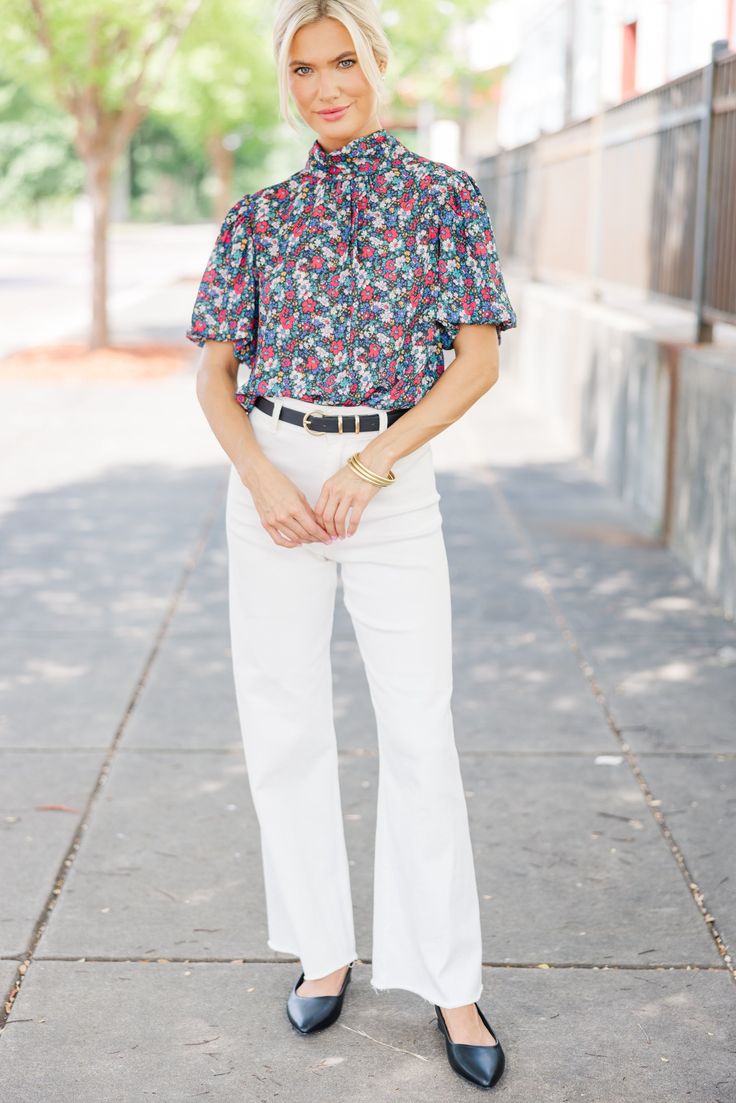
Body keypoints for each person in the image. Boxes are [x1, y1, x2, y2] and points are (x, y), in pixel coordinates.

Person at [185, 0, 517, 1090]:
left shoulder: (444, 201)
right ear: (287, 86)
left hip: (387, 479)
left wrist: (373, 467)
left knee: (417, 726)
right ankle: (323, 949)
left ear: (377, 65)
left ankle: (448, 978)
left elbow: (473, 363)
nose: (325, 85)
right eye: (303, 69)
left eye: (342, 62)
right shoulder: (258, 217)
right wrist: (263, 480)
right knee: (282, 721)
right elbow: (213, 374)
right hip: (274, 480)